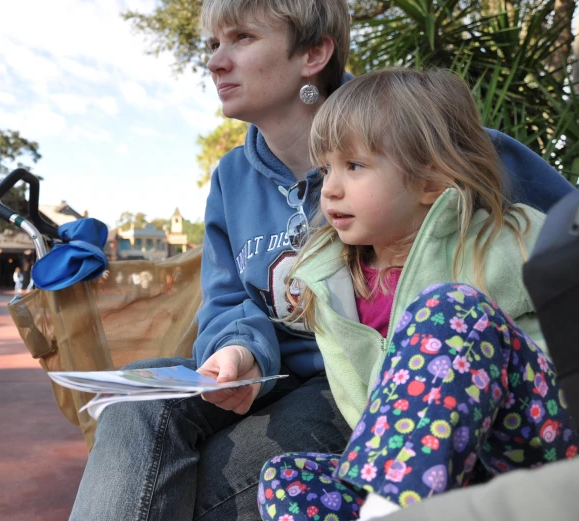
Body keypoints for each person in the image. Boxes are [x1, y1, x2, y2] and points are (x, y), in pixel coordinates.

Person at [69, 1, 575, 519]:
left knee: (201, 487)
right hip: (275, 378)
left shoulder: (422, 134)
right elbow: (228, 301)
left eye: (240, 38)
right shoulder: (230, 180)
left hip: (370, 390)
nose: (216, 62)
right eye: (212, 44)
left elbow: (564, 239)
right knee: (142, 402)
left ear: (314, 52)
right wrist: (240, 349)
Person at [258, 68, 579, 521]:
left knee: (449, 310)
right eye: (326, 167)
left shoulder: (512, 237)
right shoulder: (327, 278)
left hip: (539, 443)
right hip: (436, 479)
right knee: (287, 479)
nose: (328, 187)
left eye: (354, 165)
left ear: (430, 180)